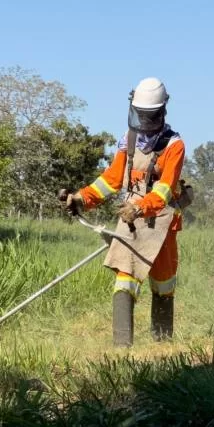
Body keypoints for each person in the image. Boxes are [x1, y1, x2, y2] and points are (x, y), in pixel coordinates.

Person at [60, 77, 189, 346]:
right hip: (129, 220)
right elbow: (111, 180)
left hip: (162, 222)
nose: (144, 122)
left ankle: (162, 345)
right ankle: (122, 349)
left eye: (149, 116)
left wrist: (139, 207)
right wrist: (81, 198)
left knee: (163, 283)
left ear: (162, 112)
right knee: (125, 280)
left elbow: (165, 190)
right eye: (141, 115)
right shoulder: (128, 141)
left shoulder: (174, 145)